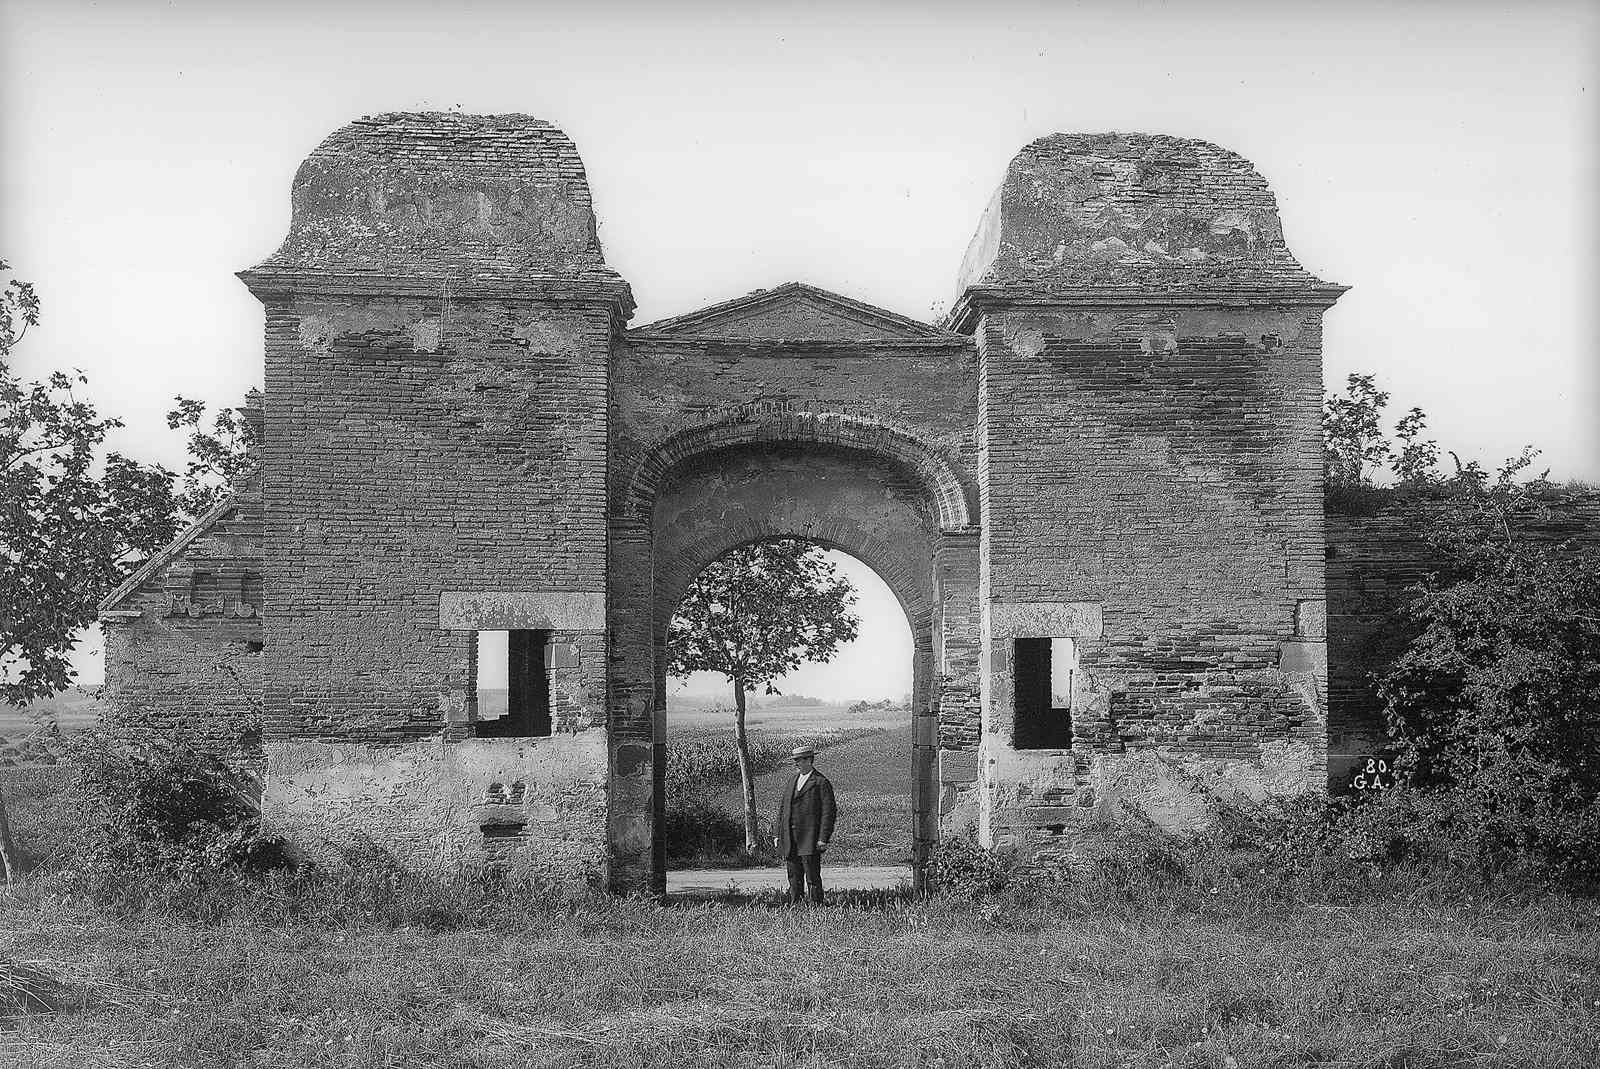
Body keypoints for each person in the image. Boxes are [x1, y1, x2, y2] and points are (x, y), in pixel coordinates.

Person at [774, 743, 837, 905]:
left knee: (812, 875)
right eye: (795, 760)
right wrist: (777, 834)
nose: (796, 763)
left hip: (810, 838)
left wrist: (823, 838)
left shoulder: (821, 782)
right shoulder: (792, 781)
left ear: (809, 760)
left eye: (799, 760)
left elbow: (828, 813)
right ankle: (795, 905)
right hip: (790, 837)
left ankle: (816, 906)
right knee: (793, 874)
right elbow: (783, 809)